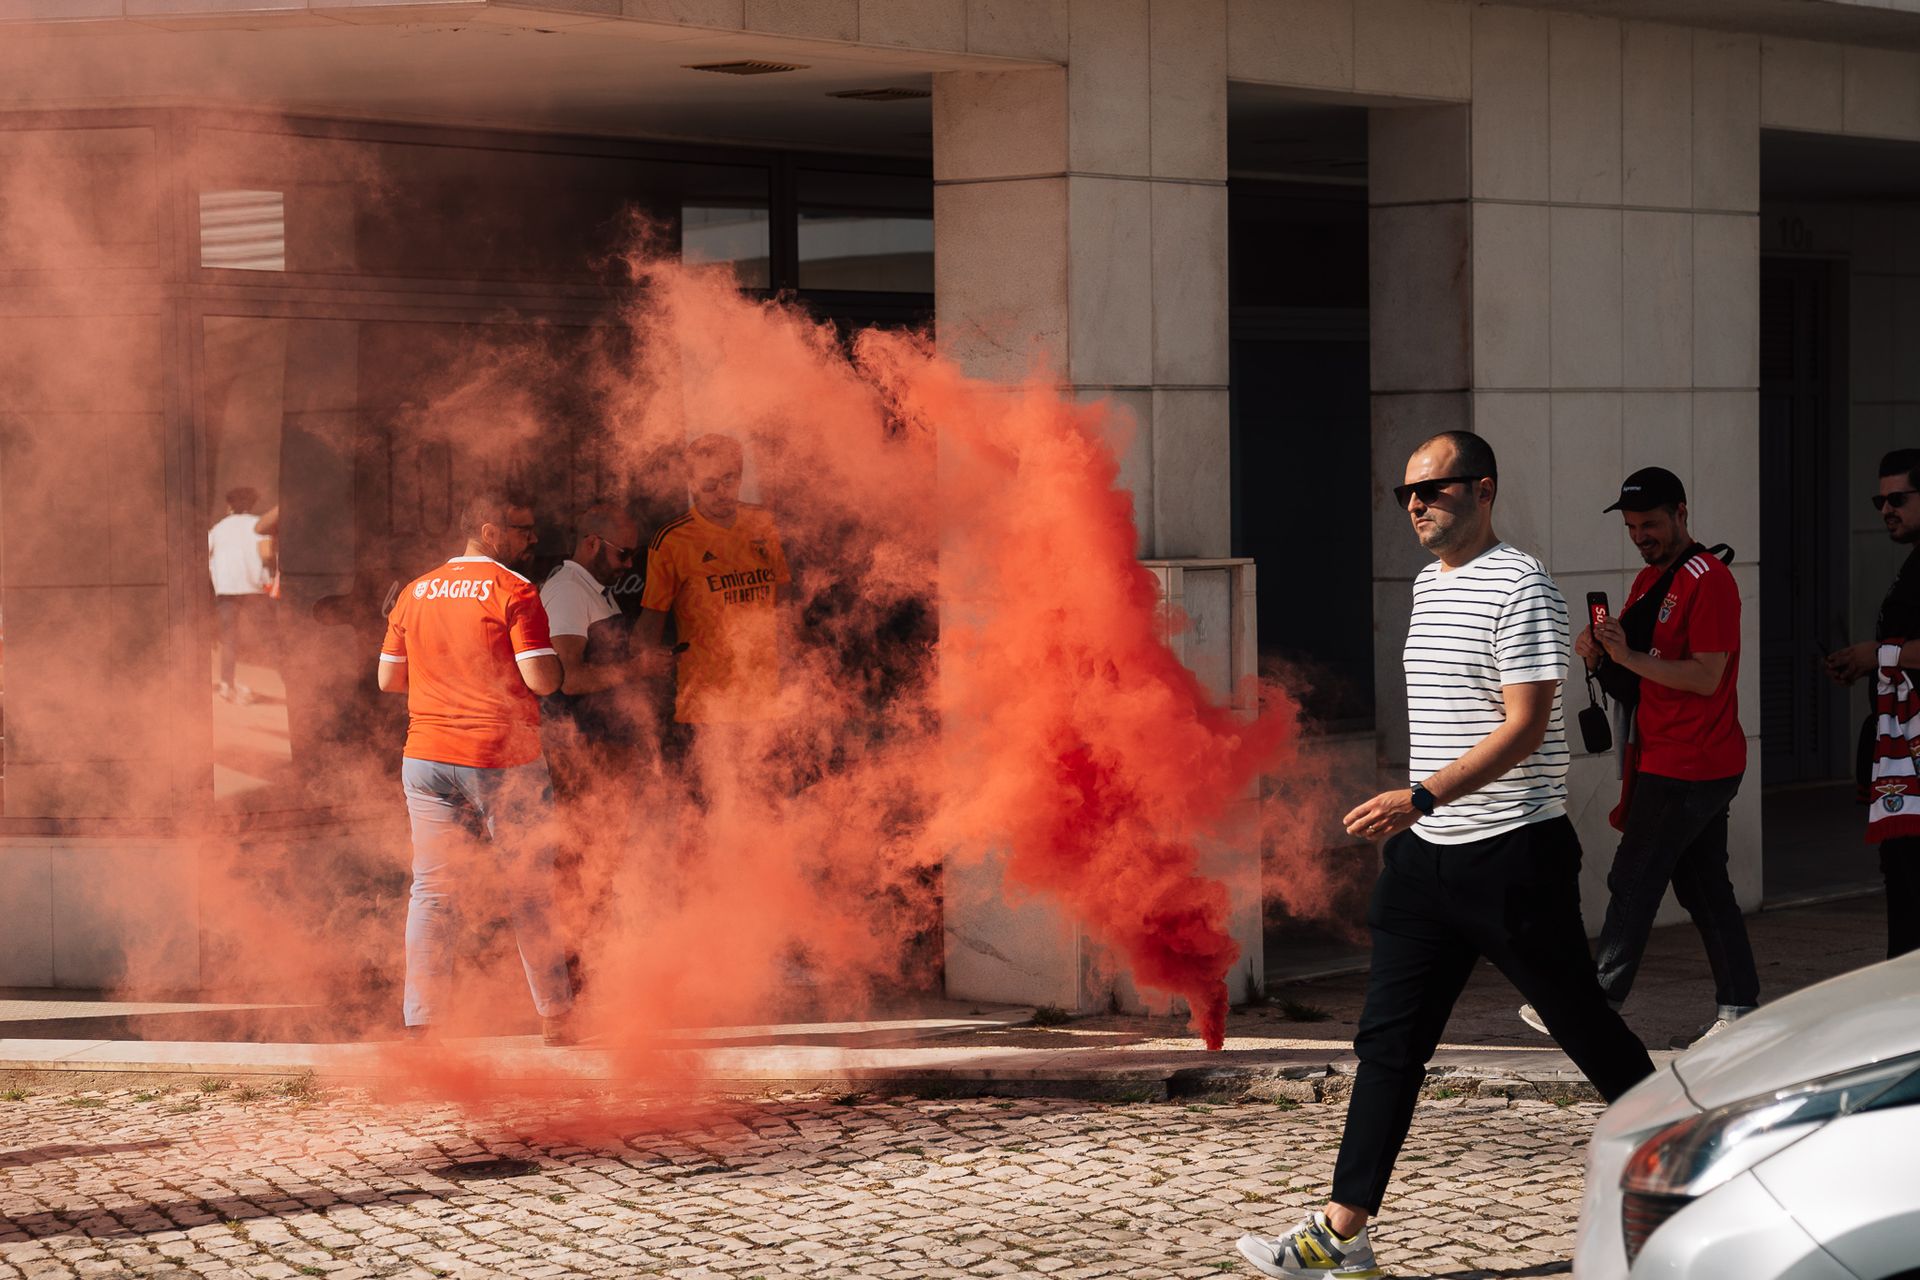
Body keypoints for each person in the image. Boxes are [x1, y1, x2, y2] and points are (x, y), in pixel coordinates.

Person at [1235, 431, 1653, 1280]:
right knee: (1388, 1046)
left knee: (1583, 1027)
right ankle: (1340, 1233)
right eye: (1405, 495)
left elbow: (1526, 724)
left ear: (1484, 490)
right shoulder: (1429, 585)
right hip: (1429, 861)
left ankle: (1707, 1166)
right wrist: (1424, 818)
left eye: (1434, 489)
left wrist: (1420, 795)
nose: (1417, 505)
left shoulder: (1522, 583)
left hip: (1514, 859)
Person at [1517, 466, 1758, 1048]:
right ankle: (1740, 1007)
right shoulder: (1651, 579)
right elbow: (1641, 671)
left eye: (1650, 523)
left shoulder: (1710, 579)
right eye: (1630, 526)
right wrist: (1602, 656)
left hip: (1692, 761)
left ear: (1681, 512)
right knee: (1703, 887)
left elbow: (1705, 676)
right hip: (1672, 756)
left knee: (1635, 875)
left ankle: (1595, 1001)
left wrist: (1626, 659)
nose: (1640, 535)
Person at [376, 488, 578, 1046]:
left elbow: (389, 681)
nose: (532, 539)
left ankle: (422, 1023)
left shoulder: (414, 592)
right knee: (529, 888)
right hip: (501, 756)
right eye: (522, 529)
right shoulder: (514, 590)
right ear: (490, 532)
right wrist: (556, 664)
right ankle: (556, 1017)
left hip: (425, 757)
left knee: (433, 891)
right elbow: (543, 680)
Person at [632, 433, 792, 747]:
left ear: (741, 476)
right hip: (708, 707)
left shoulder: (763, 524)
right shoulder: (672, 540)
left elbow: (783, 604)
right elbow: (650, 625)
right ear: (691, 483)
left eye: (729, 480)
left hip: (767, 698)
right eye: (709, 484)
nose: (721, 493)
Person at [1826, 447, 1920, 959]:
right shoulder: (1912, 563)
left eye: (1898, 498)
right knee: (1903, 889)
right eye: (1879, 500)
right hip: (1898, 758)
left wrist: (1877, 655)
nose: (1886, 509)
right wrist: (1865, 663)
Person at [208, 486, 273, 704]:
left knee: (229, 639)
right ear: (252, 504)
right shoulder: (258, 525)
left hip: (227, 589)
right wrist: (269, 580)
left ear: (229, 506)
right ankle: (291, 680)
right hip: (254, 589)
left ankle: (227, 684)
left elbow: (205, 554)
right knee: (271, 637)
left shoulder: (218, 529)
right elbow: (267, 556)